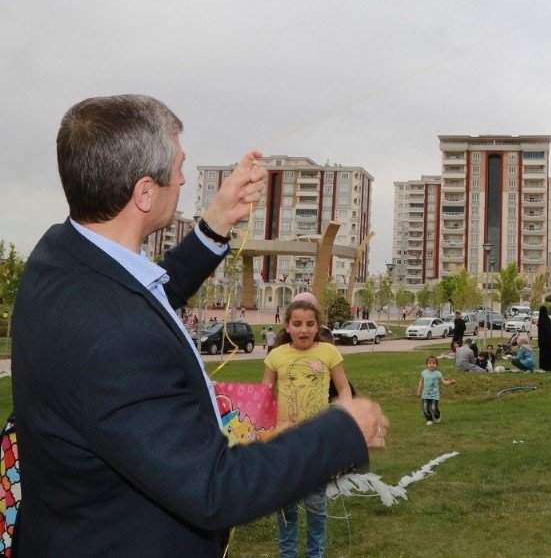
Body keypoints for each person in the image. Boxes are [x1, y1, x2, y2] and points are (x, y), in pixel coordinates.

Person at [10, 94, 387, 556]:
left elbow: (142, 301)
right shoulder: (112, 337)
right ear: (145, 192)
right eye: (179, 167)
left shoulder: (60, 258)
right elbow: (216, 488)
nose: (184, 179)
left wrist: (213, 225)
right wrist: (342, 430)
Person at [263, 299, 351, 557]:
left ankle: (316, 554)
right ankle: (287, 554)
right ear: (287, 326)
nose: (304, 330)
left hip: (317, 441)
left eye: (310, 324)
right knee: (286, 508)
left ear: (318, 327)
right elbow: (265, 396)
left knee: (315, 505)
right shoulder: (275, 356)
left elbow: (343, 387)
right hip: (285, 442)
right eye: (297, 324)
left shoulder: (328, 353)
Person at [416, 356, 455, 425]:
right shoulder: (424, 373)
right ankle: (429, 419)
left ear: (437, 365)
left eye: (434, 363)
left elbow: (444, 382)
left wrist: (450, 382)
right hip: (425, 395)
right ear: (426, 364)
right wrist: (418, 391)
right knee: (425, 409)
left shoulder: (438, 374)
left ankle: (437, 415)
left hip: (434, 395)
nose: (431, 364)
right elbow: (421, 382)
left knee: (433, 408)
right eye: (430, 363)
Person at [536, 306, 551, 372]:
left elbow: (542, 331)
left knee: (544, 355)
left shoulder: (541, 320)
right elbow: (549, 331)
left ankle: (545, 367)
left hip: (543, 342)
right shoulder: (548, 319)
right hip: (549, 341)